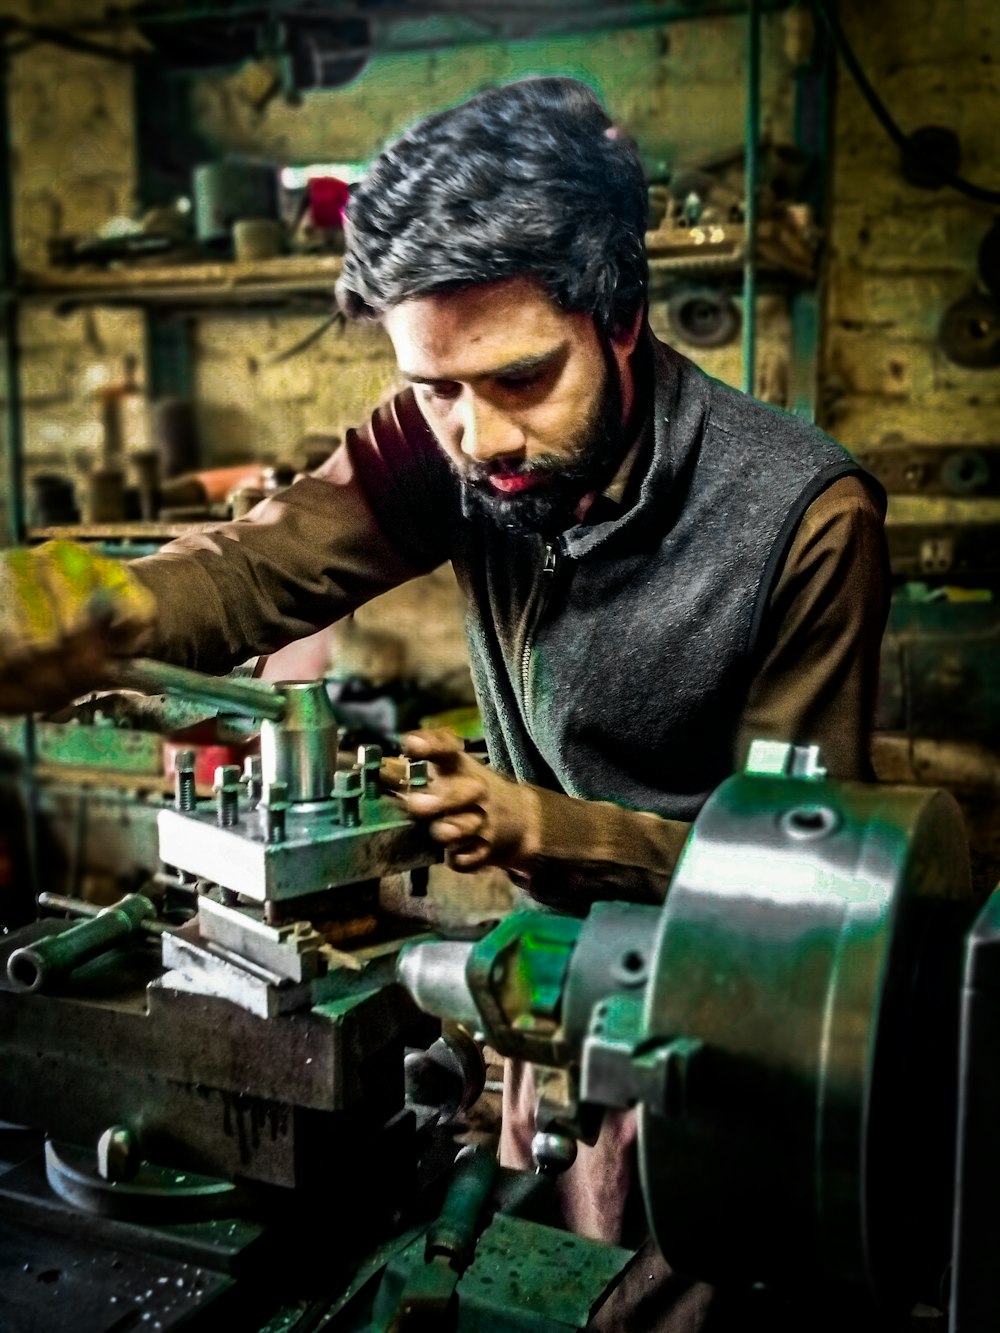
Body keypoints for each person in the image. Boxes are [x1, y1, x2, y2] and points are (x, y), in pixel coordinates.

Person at [0, 77, 889, 1328]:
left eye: (519, 379)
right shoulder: (449, 444)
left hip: (723, 1063)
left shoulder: (803, 520)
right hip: (541, 1011)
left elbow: (806, 916)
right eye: (433, 389)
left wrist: (548, 827)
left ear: (620, 315)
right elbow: (248, 566)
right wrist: (62, 615)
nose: (477, 439)